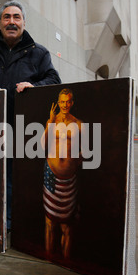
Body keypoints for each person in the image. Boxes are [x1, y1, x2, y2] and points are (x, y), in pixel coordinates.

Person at [0, 1, 61, 228]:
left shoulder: (39, 53)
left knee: (18, 178)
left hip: (24, 129)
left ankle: (14, 224)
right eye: (6, 17)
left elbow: (54, 80)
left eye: (16, 17)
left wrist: (33, 86)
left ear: (24, 23)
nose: (11, 22)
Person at [41, 89, 82, 260]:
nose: (65, 105)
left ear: (72, 103)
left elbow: (86, 150)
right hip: (51, 176)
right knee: (49, 223)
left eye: (68, 101)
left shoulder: (79, 124)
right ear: (58, 103)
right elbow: (43, 145)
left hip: (69, 180)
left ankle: (66, 263)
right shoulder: (52, 122)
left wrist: (74, 161)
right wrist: (50, 122)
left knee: (67, 225)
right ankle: (49, 258)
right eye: (62, 102)